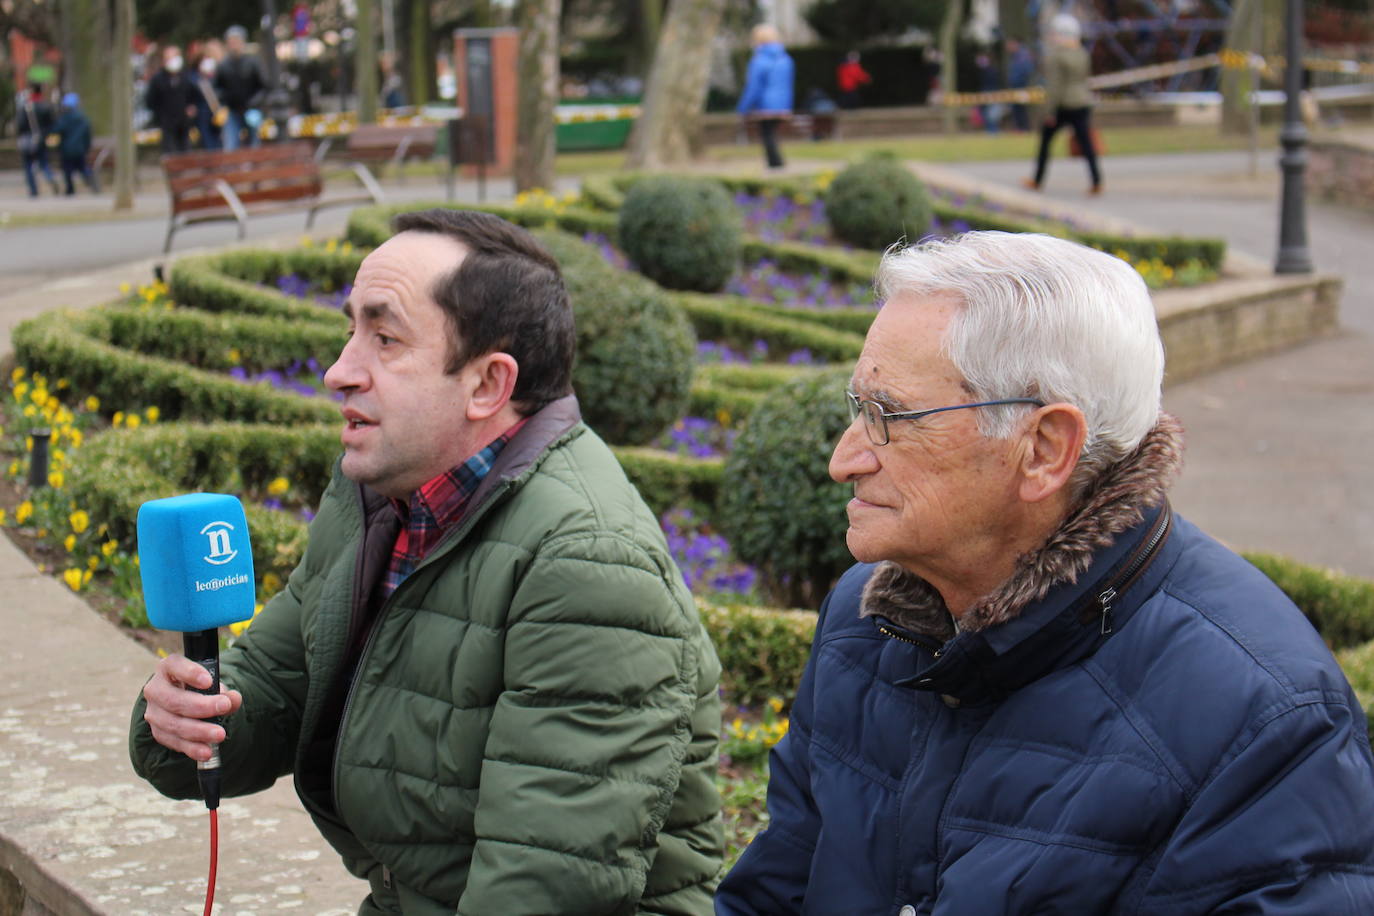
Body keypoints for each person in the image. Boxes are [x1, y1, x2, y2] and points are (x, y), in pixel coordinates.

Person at [716, 231, 1374, 913]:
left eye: (893, 416)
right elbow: (772, 896)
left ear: (1044, 449)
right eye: (859, 407)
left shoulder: (1265, 721)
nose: (844, 458)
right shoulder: (863, 620)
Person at [130, 209, 725, 914]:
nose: (338, 372)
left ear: (486, 385)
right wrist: (185, 721)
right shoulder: (378, 492)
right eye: (350, 329)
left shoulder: (588, 563)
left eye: (384, 338)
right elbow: (275, 683)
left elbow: (542, 890)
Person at [1024, 14, 1101, 194]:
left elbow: (1055, 86)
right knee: (1086, 143)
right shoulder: (1082, 53)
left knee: (1045, 143)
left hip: (1063, 105)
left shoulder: (1056, 56)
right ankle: (1097, 180)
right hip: (1082, 102)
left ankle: (1037, 180)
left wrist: (1049, 111)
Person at [736, 24, 794, 171]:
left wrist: (743, 107)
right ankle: (777, 161)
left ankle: (775, 163)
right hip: (782, 103)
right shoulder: (786, 59)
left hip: (766, 104)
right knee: (771, 132)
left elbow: (754, 87)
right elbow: (787, 84)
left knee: (766, 133)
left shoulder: (759, 60)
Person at [215, 25, 267, 150]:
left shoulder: (253, 62)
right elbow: (217, 88)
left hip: (252, 110)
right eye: (231, 42)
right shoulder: (223, 65)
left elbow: (263, 86)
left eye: (236, 41)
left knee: (254, 141)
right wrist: (225, 100)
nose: (234, 45)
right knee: (231, 143)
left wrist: (254, 102)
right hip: (232, 111)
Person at [144, 45, 198, 154]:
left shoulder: (187, 77)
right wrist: (160, 114)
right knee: (169, 151)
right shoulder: (158, 79)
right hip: (166, 122)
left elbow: (194, 97)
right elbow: (150, 101)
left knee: (185, 150)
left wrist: (191, 108)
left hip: (184, 122)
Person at [16, 84, 59, 197]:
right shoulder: (46, 106)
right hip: (41, 139)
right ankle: (49, 177)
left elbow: (20, 125)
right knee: (43, 162)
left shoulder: (26, 107)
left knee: (28, 165)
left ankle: (33, 190)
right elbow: (52, 125)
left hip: (28, 140)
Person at [52, 92, 98, 194]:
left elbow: (56, 130)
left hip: (67, 149)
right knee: (82, 167)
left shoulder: (64, 118)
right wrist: (86, 147)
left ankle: (70, 189)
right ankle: (92, 183)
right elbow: (87, 134)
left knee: (67, 170)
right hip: (80, 149)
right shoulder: (82, 118)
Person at [191, 55, 223, 150]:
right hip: (203, 113)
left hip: (217, 112)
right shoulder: (194, 78)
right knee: (207, 139)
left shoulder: (217, 76)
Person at [1005, 37, 1035, 131]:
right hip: (1016, 85)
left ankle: (1023, 128)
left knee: (1020, 108)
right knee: (1017, 108)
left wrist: (1019, 80)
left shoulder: (1022, 55)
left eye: (1010, 44)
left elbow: (1027, 70)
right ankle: (1020, 128)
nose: (1008, 47)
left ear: (1015, 44)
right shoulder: (1016, 55)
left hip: (1020, 85)